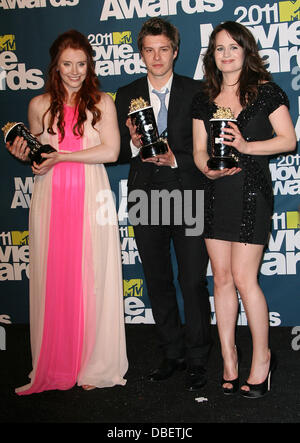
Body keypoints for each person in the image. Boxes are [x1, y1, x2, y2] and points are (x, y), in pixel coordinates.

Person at [6, 29, 128, 395]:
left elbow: (111, 151)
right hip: (51, 198)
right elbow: (39, 156)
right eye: (67, 64)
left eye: (81, 63)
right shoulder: (38, 104)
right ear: (55, 67)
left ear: (89, 65)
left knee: (93, 277)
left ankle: (95, 363)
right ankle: (58, 363)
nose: (74, 71)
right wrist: (27, 156)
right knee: (56, 276)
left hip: (92, 194)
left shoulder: (103, 102)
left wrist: (63, 156)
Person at [192, 21, 296, 398]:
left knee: (242, 278)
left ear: (246, 51)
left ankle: (262, 360)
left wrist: (247, 145)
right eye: (219, 49)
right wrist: (205, 166)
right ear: (212, 56)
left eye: (233, 47)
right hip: (215, 193)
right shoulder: (204, 98)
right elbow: (200, 148)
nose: (226, 54)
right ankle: (229, 357)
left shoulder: (266, 92)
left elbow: (288, 140)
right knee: (220, 277)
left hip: (252, 192)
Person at [115, 18, 211, 391]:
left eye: (164, 49)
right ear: (141, 54)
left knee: (191, 280)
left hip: (187, 191)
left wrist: (175, 159)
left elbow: (205, 148)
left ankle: (199, 358)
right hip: (144, 195)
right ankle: (172, 353)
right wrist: (136, 144)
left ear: (175, 50)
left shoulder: (197, 91)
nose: (157, 57)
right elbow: (116, 150)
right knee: (157, 280)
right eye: (149, 50)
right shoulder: (125, 93)